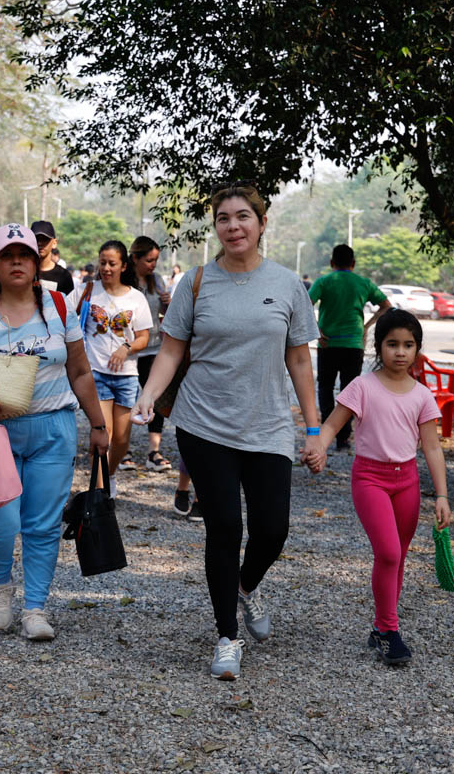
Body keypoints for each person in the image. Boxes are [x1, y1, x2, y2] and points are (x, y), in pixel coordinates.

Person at [132, 182, 321, 681]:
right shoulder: (197, 282)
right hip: (203, 423)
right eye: (223, 218)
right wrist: (150, 394)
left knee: (272, 530)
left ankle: (246, 585)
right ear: (215, 227)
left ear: (261, 223)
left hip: (268, 425)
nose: (233, 226)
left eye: (243, 217)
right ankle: (226, 636)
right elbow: (171, 349)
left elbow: (299, 359)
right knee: (223, 529)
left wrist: (316, 426)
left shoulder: (287, 286)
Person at [0, 222, 110, 641]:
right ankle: (0, 587)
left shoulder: (59, 306)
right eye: (7, 256)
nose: (17, 263)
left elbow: (80, 371)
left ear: (36, 262)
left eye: (24, 256)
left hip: (54, 428)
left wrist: (99, 425)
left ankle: (35, 608)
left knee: (43, 524)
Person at [303, 309, 453, 667]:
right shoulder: (362, 386)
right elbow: (332, 424)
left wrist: (442, 495)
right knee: (388, 553)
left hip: (408, 483)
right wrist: (318, 446)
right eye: (392, 344)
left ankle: (381, 626)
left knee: (398, 557)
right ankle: (389, 630)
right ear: (378, 346)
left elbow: (432, 447)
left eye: (408, 345)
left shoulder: (422, 395)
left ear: (417, 349)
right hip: (369, 478)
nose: (400, 352)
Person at [80, 239, 153, 489]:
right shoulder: (87, 290)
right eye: (103, 263)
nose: (106, 268)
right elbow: (63, 315)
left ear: (123, 266)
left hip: (126, 376)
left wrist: (126, 347)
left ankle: (109, 475)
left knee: (121, 440)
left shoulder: (136, 298)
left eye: (112, 263)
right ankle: (98, 494)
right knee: (104, 435)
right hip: (96, 373)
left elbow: (144, 337)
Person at [309, 244, 390, 452]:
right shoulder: (363, 283)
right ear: (353, 263)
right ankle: (343, 439)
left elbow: (303, 305)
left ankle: (327, 432)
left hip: (327, 343)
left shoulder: (324, 281)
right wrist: (366, 326)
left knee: (325, 388)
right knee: (350, 391)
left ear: (331, 263)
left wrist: (316, 329)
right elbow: (386, 306)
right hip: (354, 344)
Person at [118, 236, 173, 473]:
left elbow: (164, 316)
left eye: (156, 260)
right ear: (135, 258)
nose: (153, 265)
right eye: (149, 260)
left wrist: (167, 303)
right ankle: (123, 450)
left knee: (156, 399)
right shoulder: (123, 282)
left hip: (153, 348)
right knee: (127, 399)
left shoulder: (156, 281)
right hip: (128, 351)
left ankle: (154, 451)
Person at [31, 220, 75, 295]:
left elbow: (68, 305)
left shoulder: (64, 276)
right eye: (36, 239)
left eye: (44, 239)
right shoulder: (24, 272)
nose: (39, 243)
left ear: (54, 243)